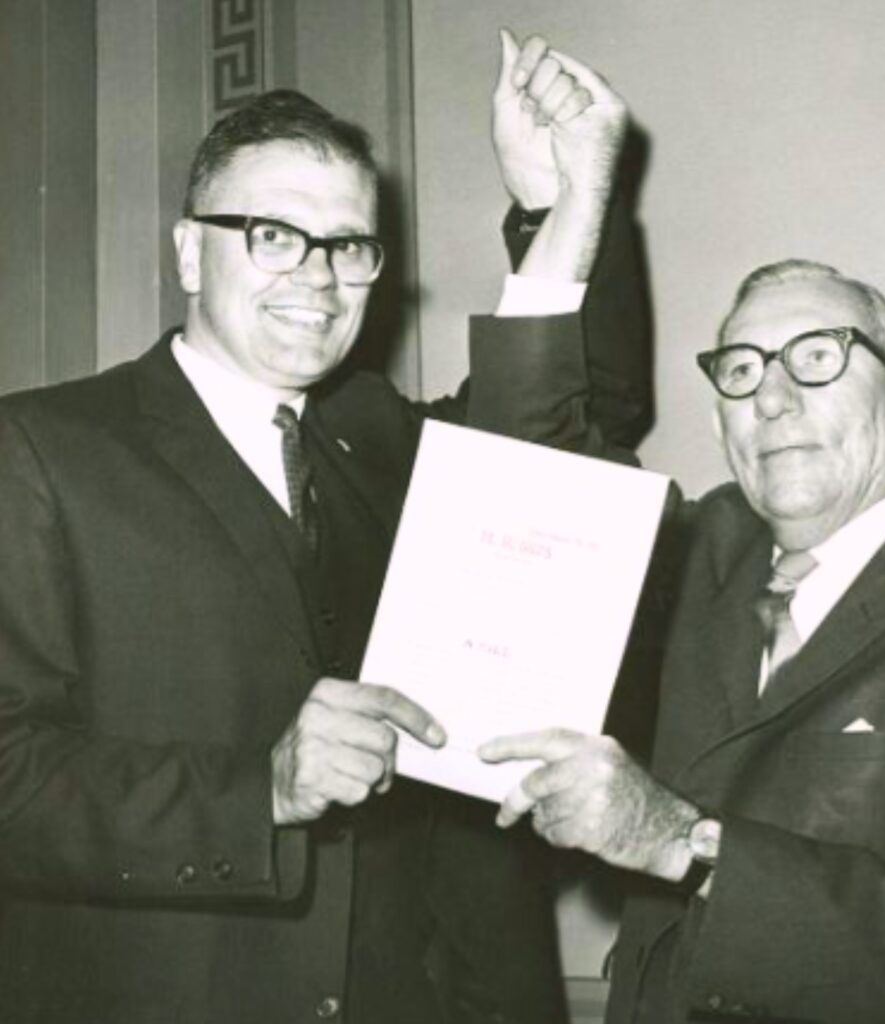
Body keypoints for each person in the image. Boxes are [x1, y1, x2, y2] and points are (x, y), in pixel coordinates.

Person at [0, 31, 642, 1024]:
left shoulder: (371, 435)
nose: (318, 277)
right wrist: (258, 788)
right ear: (186, 251)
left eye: (348, 246)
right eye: (271, 234)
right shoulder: (41, 450)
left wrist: (565, 203)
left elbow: (557, 424)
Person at [481, 258, 885, 1024]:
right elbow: (530, 475)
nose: (771, 397)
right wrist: (555, 215)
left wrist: (681, 843)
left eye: (816, 357)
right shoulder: (705, 543)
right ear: (721, 429)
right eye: (741, 370)